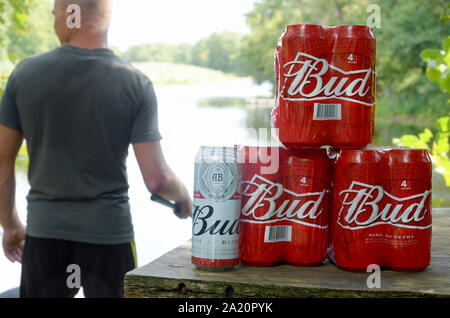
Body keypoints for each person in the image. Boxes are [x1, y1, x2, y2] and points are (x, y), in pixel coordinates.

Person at [0, 0, 192, 298]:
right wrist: (183, 198)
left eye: (53, 15)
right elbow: (158, 179)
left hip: (46, 237)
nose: (53, 23)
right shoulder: (135, 82)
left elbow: (2, 161)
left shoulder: (25, 74)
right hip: (109, 239)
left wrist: (11, 225)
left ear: (69, 15)